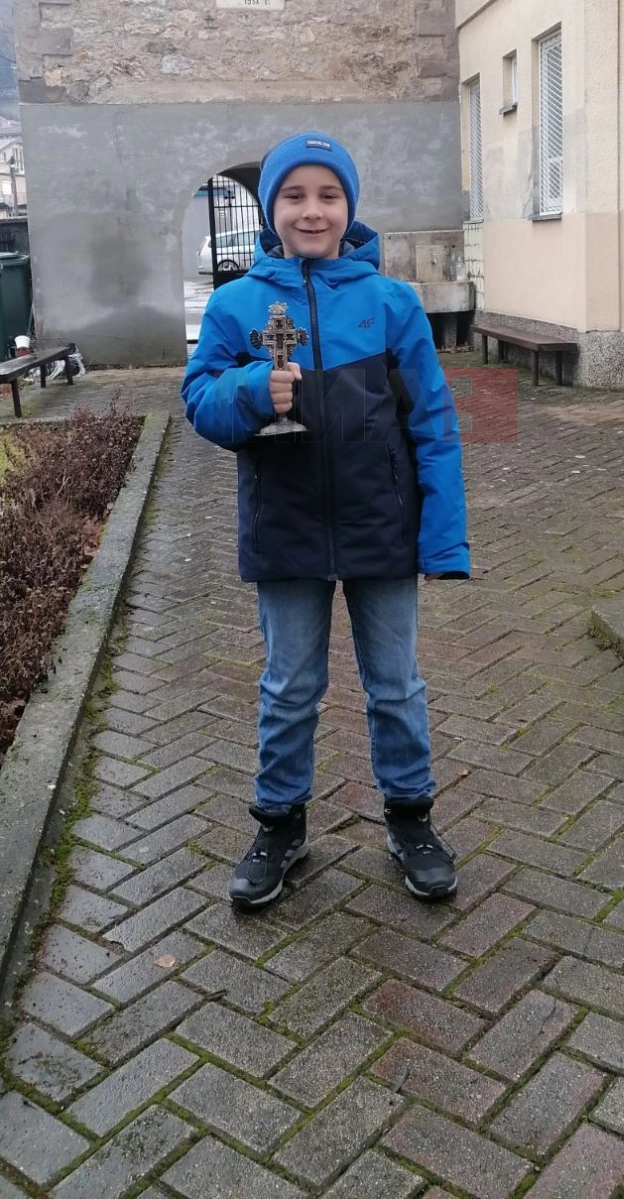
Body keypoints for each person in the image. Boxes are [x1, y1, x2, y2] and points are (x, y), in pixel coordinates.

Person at [182, 132, 470, 909]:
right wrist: (252, 391)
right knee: (288, 686)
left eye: (328, 194)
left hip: (383, 526)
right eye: (295, 195)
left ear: (349, 206)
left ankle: (411, 819)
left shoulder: (392, 304)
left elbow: (434, 423)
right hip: (285, 527)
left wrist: (443, 538)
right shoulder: (236, 305)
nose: (312, 211)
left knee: (397, 686)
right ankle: (280, 825)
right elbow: (199, 401)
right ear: (270, 209)